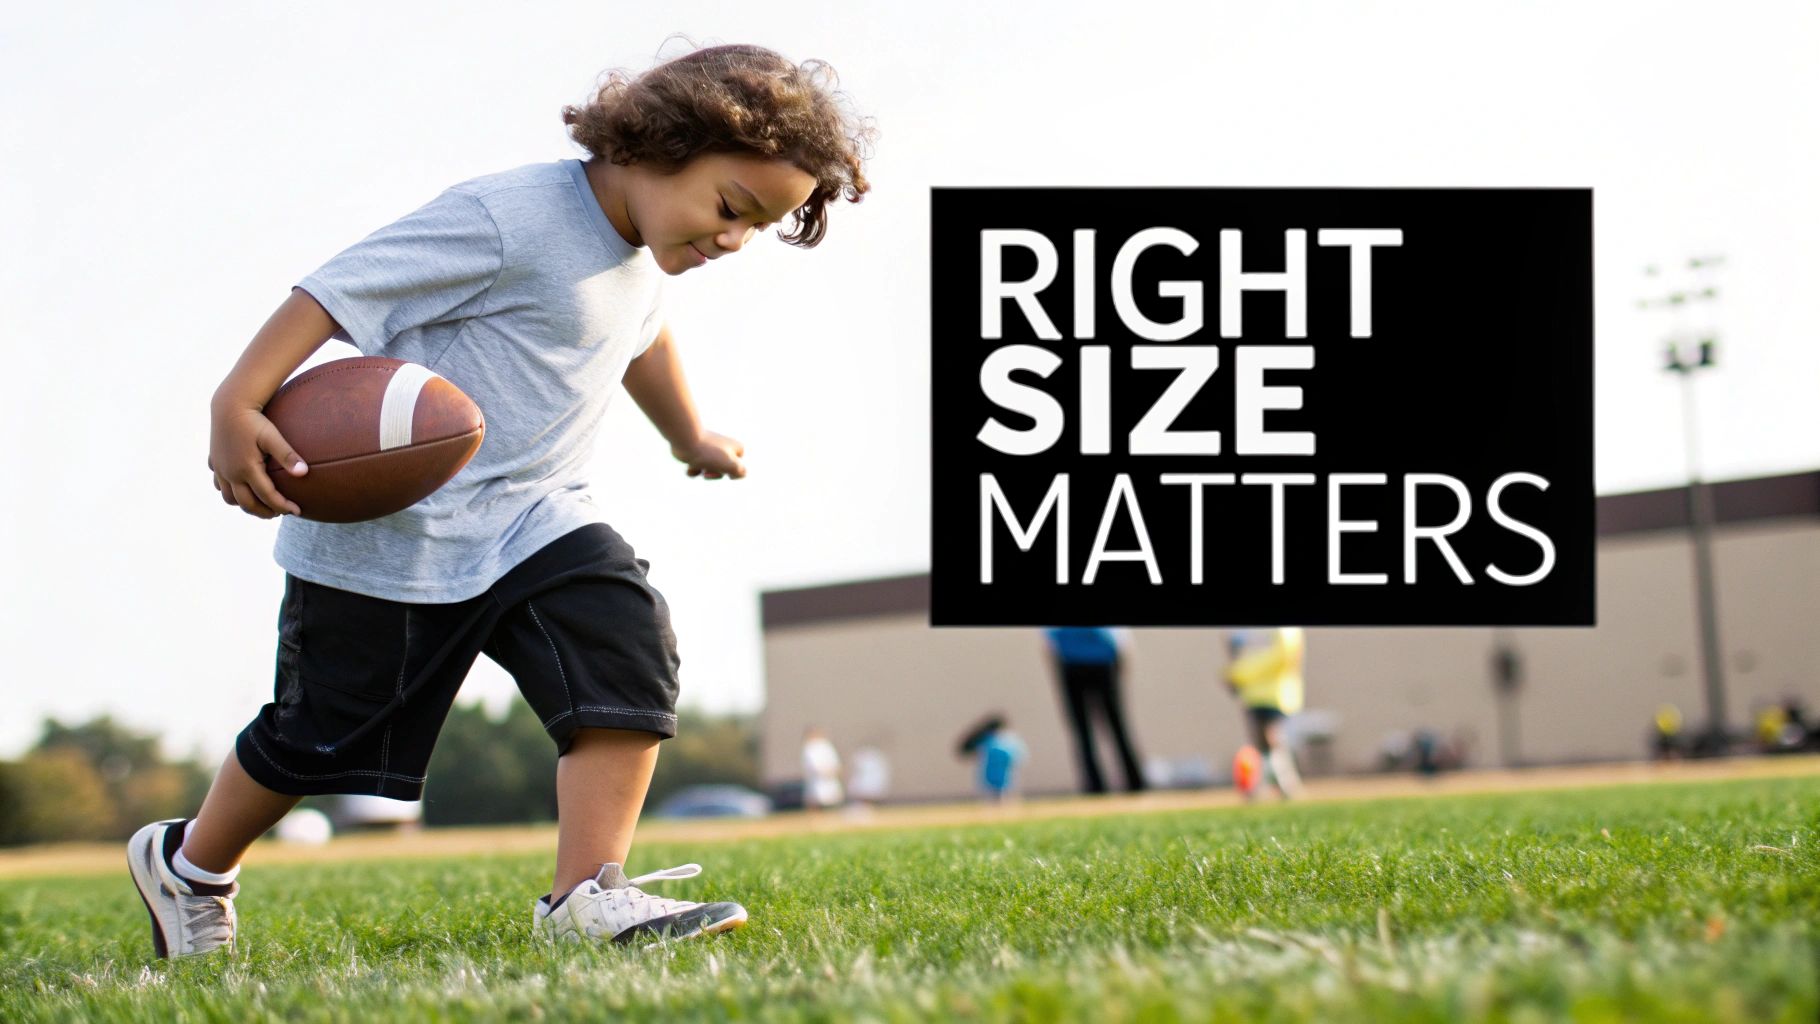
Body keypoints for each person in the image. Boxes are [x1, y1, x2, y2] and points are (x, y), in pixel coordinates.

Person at [126, 44, 872, 957]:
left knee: (627, 655)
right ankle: (192, 865)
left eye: (758, 228)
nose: (732, 241)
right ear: (656, 143)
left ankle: (586, 897)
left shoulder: (640, 254)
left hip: (536, 517)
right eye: (729, 208)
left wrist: (691, 435)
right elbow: (337, 288)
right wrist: (236, 400)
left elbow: (641, 342)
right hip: (395, 537)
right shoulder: (509, 216)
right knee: (315, 741)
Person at [1043, 627, 1147, 793]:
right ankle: (1095, 785)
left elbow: (1120, 639)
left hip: (1101, 664)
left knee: (1115, 726)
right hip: (1073, 665)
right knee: (1083, 730)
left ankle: (1135, 782)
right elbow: (1049, 642)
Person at [1224, 627, 1306, 799]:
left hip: (1276, 693)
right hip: (1253, 695)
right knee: (1260, 743)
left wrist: (1241, 674)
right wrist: (1234, 675)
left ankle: (1286, 784)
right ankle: (1262, 786)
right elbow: (1238, 654)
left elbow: (1284, 655)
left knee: (1272, 739)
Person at [957, 714, 1029, 803]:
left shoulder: (1003, 739)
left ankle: (1002, 805)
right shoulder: (998, 739)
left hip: (1001, 770)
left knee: (1001, 790)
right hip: (992, 770)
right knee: (995, 791)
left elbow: (1016, 754)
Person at [800, 727, 845, 810]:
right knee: (816, 800)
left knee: (832, 801)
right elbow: (814, 766)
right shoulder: (810, 748)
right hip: (817, 781)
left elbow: (834, 762)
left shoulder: (825, 746)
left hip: (830, 780)